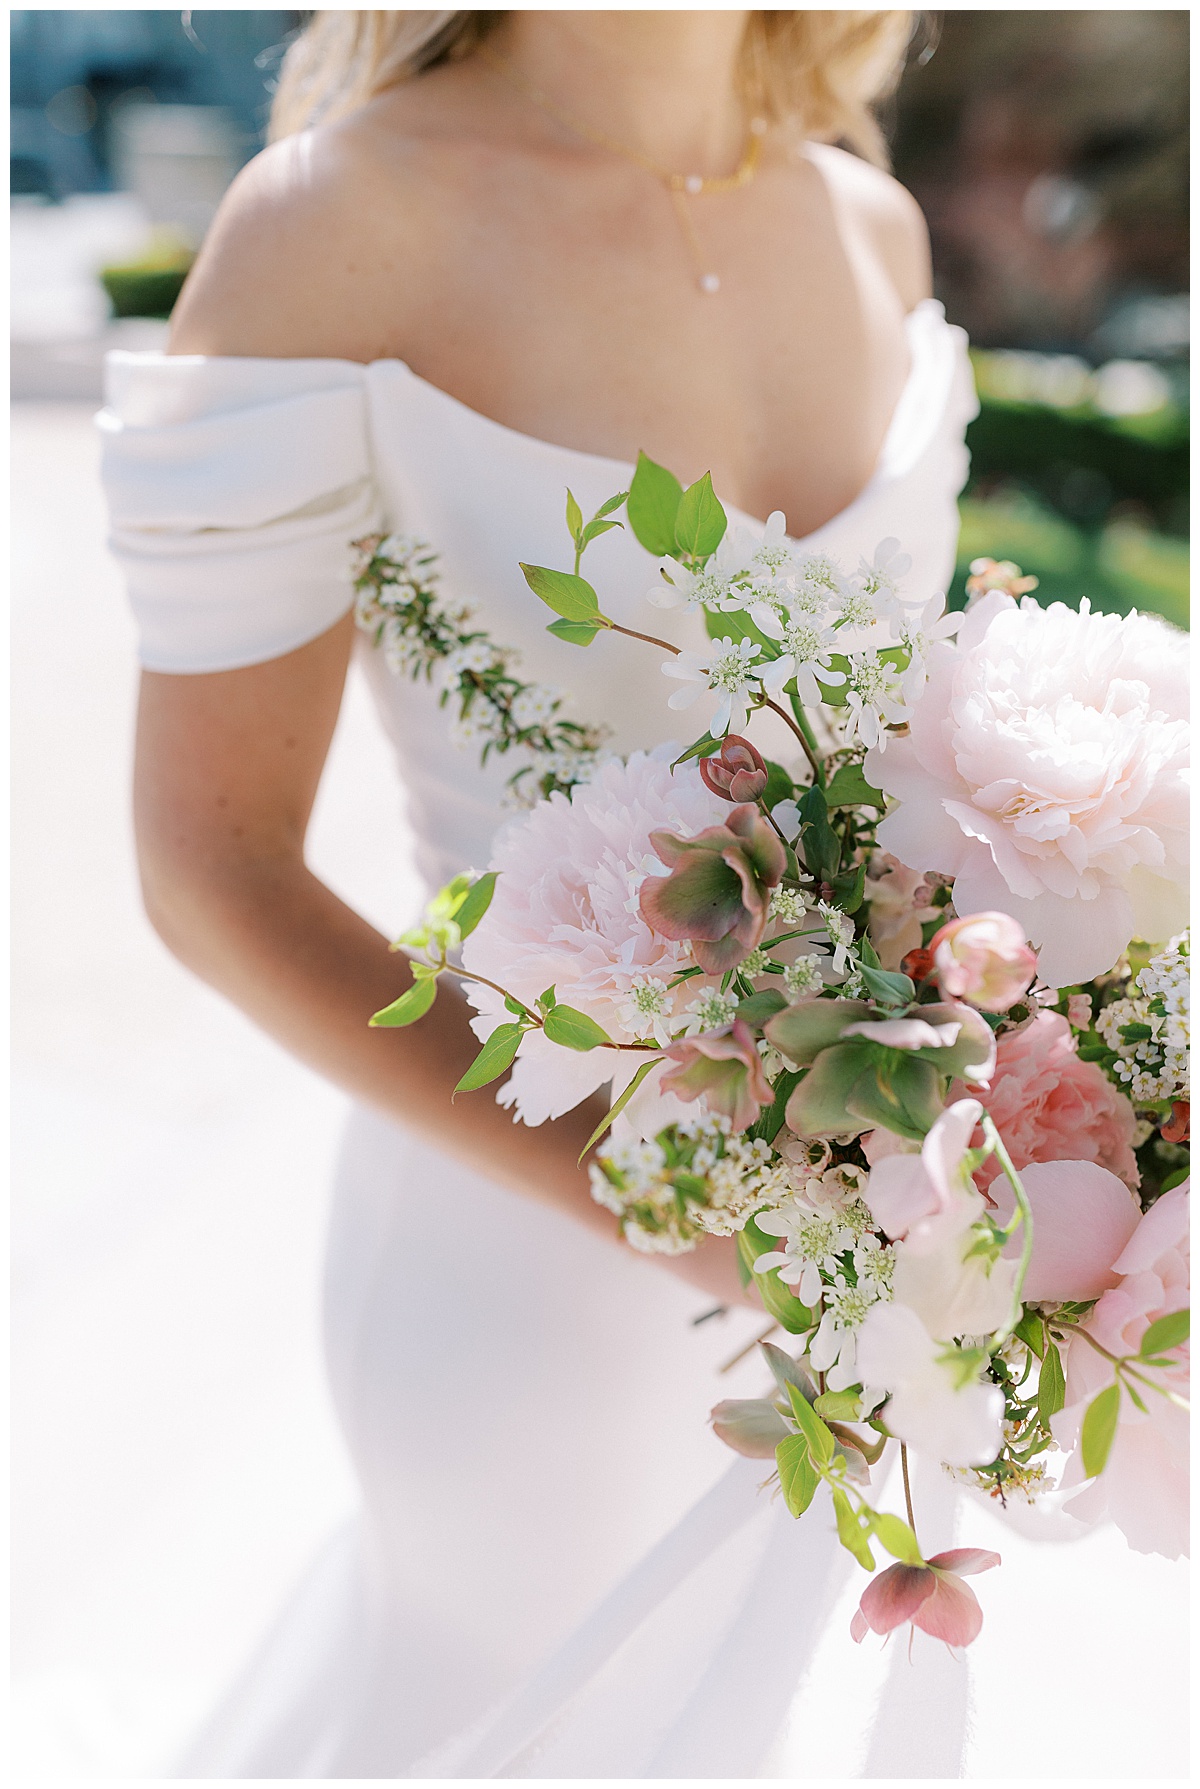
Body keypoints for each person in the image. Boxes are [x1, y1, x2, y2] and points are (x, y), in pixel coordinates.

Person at [101, 10, 982, 1775]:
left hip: (869, 1281)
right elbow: (210, 870)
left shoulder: (866, 224)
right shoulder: (337, 227)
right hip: (513, 1276)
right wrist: (690, 1217)